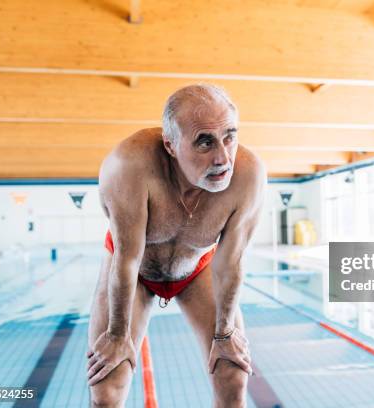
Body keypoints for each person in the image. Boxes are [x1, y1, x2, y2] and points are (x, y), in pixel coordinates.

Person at [86, 84, 266, 407]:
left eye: (230, 136)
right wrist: (116, 335)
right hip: (135, 272)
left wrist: (225, 335)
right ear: (170, 145)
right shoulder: (128, 167)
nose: (223, 158)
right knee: (106, 390)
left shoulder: (248, 176)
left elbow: (231, 262)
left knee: (233, 376)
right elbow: (126, 260)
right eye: (204, 142)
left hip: (197, 270)